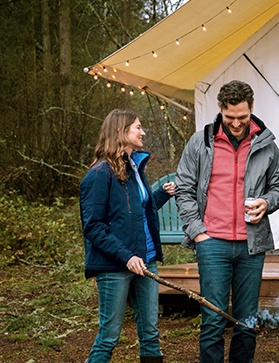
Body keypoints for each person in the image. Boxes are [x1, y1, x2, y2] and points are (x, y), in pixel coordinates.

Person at [175, 80, 279, 362]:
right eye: (230, 117)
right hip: (212, 243)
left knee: (246, 322)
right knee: (212, 321)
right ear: (220, 110)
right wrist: (198, 231)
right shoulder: (200, 143)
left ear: (252, 109)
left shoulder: (267, 144)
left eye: (243, 117)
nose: (236, 124)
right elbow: (184, 189)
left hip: (252, 245)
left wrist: (267, 202)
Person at [80, 109, 175, 363]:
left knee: (151, 334)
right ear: (121, 132)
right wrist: (126, 256)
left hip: (145, 260)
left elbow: (135, 211)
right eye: (138, 127)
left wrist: (162, 195)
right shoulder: (99, 175)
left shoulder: (133, 168)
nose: (143, 132)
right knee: (109, 337)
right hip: (114, 265)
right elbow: (93, 226)